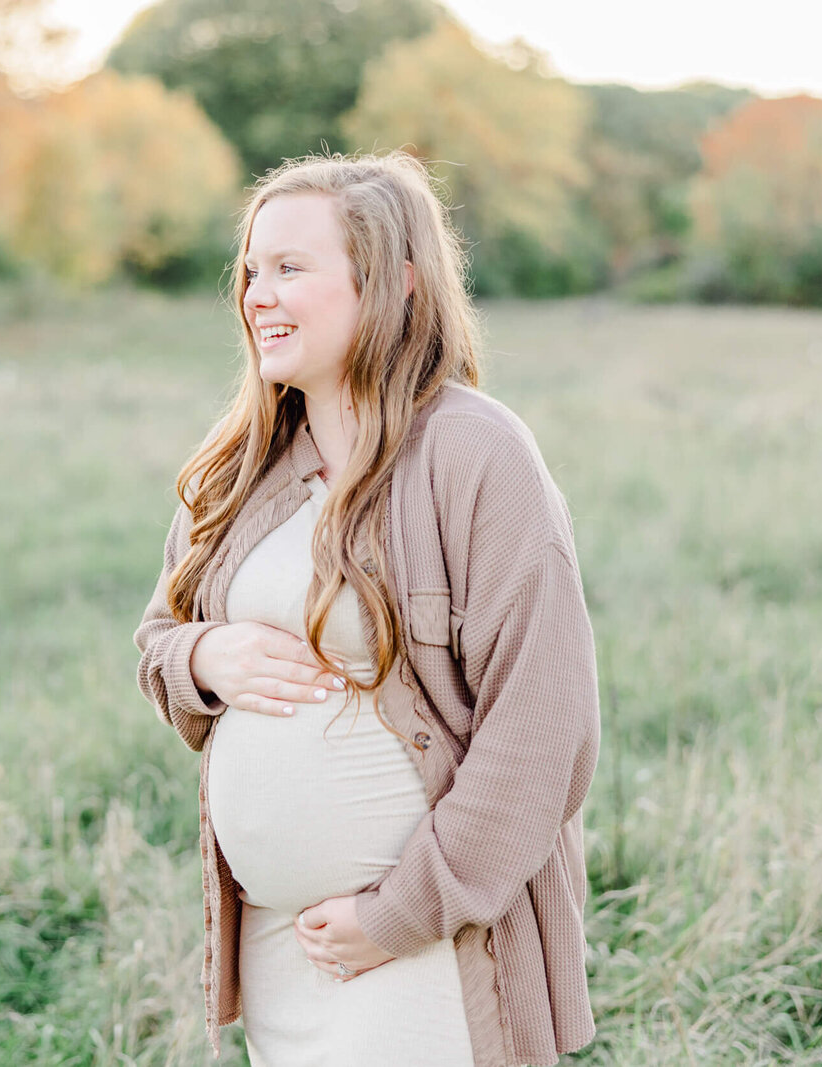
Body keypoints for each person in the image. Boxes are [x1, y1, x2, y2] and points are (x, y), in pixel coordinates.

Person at [134, 153, 601, 1067]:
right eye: (251, 271)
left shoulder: (474, 453)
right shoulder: (237, 466)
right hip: (279, 941)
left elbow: (545, 728)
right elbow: (155, 641)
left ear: (393, 282)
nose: (258, 296)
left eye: (291, 268)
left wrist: (395, 917)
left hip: (424, 945)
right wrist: (203, 657)